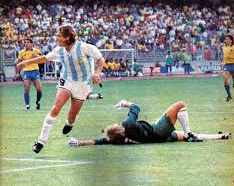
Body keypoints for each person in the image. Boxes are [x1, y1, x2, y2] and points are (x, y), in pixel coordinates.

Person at [17, 24, 105, 153]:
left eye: (59, 35)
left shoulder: (84, 47)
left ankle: (70, 123)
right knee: (56, 108)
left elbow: (101, 59)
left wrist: (97, 73)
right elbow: (45, 58)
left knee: (71, 115)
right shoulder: (59, 50)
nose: (56, 37)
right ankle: (41, 142)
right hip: (67, 80)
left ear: (67, 37)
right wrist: (25, 63)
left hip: (83, 84)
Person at [68, 100, 231, 147]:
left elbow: (97, 141)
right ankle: (190, 133)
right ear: (119, 128)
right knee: (180, 105)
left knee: (186, 138)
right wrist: (125, 104)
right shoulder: (128, 124)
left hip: (159, 138)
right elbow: (137, 107)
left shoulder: (116, 141)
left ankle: (220, 136)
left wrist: (80, 143)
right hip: (158, 130)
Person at [17, 38, 42, 110]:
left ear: (31, 43)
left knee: (39, 89)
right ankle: (27, 105)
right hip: (26, 72)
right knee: (26, 88)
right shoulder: (21, 52)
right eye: (25, 42)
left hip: (35, 71)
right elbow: (19, 63)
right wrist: (18, 73)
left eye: (27, 42)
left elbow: (43, 58)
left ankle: (38, 102)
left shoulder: (36, 51)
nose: (26, 44)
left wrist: (37, 56)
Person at [221, 35, 234, 101]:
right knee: (225, 80)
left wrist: (231, 57)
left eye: (227, 39)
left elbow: (229, 57)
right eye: (225, 39)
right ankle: (229, 95)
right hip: (227, 66)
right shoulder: (223, 47)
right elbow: (225, 56)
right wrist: (223, 62)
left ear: (231, 40)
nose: (226, 40)